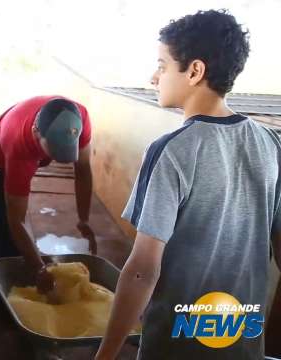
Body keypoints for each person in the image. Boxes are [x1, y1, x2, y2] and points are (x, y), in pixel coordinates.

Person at [95, 9, 281, 359]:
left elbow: (142, 270)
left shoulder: (172, 150)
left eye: (162, 65)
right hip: (242, 338)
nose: (154, 77)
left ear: (194, 71)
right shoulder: (270, 143)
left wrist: (105, 354)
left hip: (176, 344)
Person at [0, 95, 95, 295]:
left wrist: (84, 219)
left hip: (27, 142)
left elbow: (83, 170)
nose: (58, 159)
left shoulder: (80, 117)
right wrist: (39, 268)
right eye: (55, 150)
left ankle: (28, 270)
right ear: (36, 133)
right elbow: (17, 219)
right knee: (3, 223)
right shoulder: (18, 146)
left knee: (21, 239)